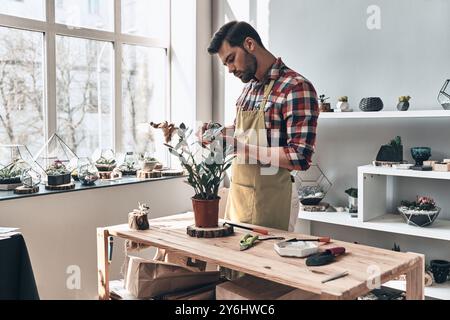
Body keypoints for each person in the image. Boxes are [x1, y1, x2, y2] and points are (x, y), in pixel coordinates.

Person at [207, 21, 319, 232]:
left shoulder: (296, 87)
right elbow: (246, 132)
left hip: (273, 199)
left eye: (231, 59)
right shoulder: (249, 88)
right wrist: (218, 133)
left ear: (249, 44)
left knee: (266, 264)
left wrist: (242, 148)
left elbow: (300, 156)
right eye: (226, 65)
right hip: (240, 196)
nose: (230, 69)